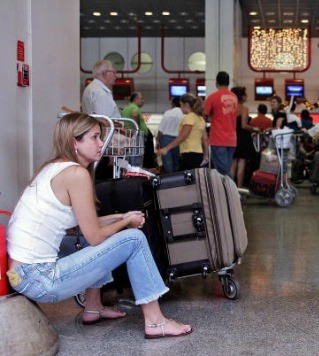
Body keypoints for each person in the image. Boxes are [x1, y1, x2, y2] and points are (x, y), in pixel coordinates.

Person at [6, 113, 192, 339]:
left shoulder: (54, 168)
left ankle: (93, 307)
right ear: (75, 142)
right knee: (133, 239)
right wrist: (126, 223)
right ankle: (155, 322)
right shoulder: (76, 174)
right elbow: (95, 236)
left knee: (87, 239)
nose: (101, 143)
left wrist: (121, 216)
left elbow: (83, 227)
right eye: (94, 137)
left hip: (22, 274)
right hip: (40, 279)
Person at [81, 60, 121, 180]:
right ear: (104, 73)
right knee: (104, 180)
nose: (116, 75)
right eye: (114, 72)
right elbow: (105, 123)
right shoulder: (100, 93)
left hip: (97, 142)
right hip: (104, 147)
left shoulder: (93, 89)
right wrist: (111, 151)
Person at [157, 93, 208, 170]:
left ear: (186, 105)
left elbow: (183, 136)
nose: (180, 108)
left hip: (189, 153)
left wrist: (166, 149)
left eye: (181, 105)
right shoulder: (200, 118)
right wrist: (206, 154)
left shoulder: (189, 118)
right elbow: (205, 139)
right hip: (198, 153)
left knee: (183, 177)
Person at [204, 71, 239, 176]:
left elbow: (204, 115)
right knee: (226, 168)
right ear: (228, 83)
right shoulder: (235, 98)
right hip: (232, 140)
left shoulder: (213, 97)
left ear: (216, 82)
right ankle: (227, 191)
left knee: (223, 172)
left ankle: (231, 190)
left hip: (218, 139)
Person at [229, 86, 258, 188]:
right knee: (241, 164)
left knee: (232, 164)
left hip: (232, 137)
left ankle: (230, 189)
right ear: (242, 96)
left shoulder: (230, 108)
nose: (246, 97)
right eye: (245, 95)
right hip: (243, 138)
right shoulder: (244, 109)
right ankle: (239, 189)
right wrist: (254, 128)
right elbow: (244, 125)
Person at [122, 92, 157, 170]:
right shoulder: (135, 107)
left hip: (129, 136)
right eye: (141, 99)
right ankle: (137, 173)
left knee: (130, 157)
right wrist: (137, 128)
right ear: (136, 99)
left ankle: (129, 172)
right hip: (137, 136)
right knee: (137, 157)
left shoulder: (126, 108)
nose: (143, 100)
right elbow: (135, 114)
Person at [156, 97, 184, 173]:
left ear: (173, 104)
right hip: (179, 140)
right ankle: (177, 179)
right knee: (177, 162)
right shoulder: (184, 114)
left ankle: (169, 179)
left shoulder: (168, 113)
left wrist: (158, 142)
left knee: (167, 163)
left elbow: (160, 130)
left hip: (166, 139)